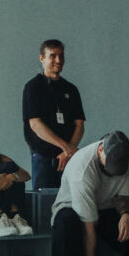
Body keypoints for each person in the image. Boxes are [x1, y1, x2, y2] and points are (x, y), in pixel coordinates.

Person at [22, 39, 86, 190]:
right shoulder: (33, 87)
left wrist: (68, 151)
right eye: (53, 56)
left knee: (69, 200)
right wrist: (66, 147)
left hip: (68, 159)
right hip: (44, 159)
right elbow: (35, 125)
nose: (58, 60)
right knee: (45, 201)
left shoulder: (71, 89)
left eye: (61, 56)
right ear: (42, 58)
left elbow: (79, 125)